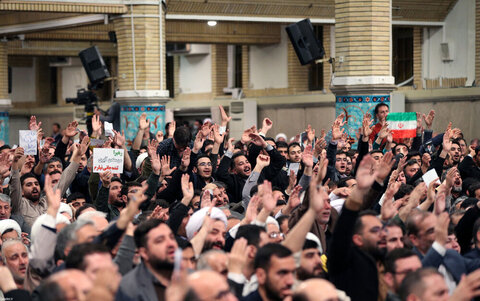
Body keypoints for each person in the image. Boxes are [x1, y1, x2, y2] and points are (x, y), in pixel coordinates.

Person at [119, 219, 178, 301]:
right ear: (144, 252)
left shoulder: (190, 276)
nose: (170, 244)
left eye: (172, 237)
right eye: (160, 241)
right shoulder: (129, 289)